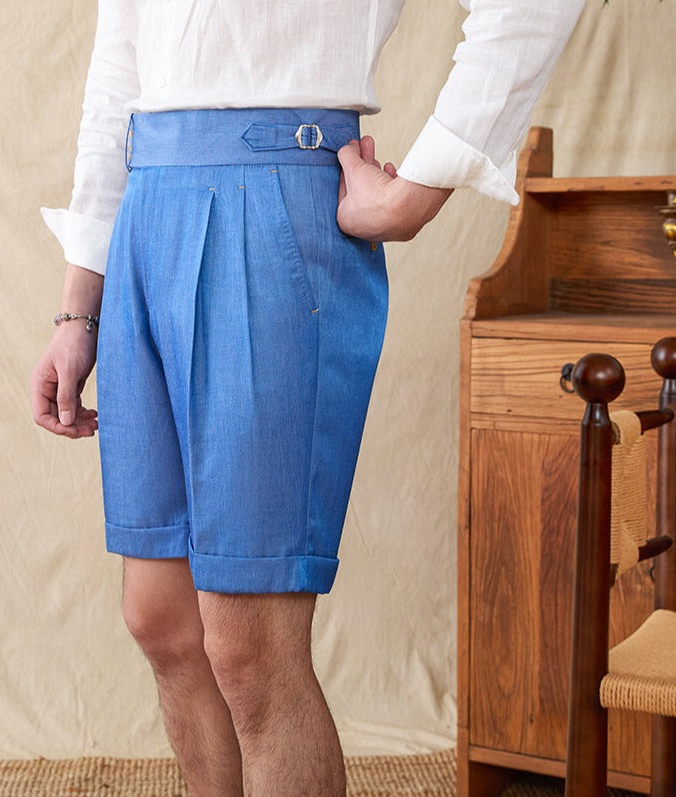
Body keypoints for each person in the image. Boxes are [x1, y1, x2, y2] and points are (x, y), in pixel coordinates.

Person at [31, 1, 585, 794]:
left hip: (272, 202)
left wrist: (416, 192)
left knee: (248, 643)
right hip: (145, 213)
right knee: (163, 620)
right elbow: (118, 66)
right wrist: (79, 306)